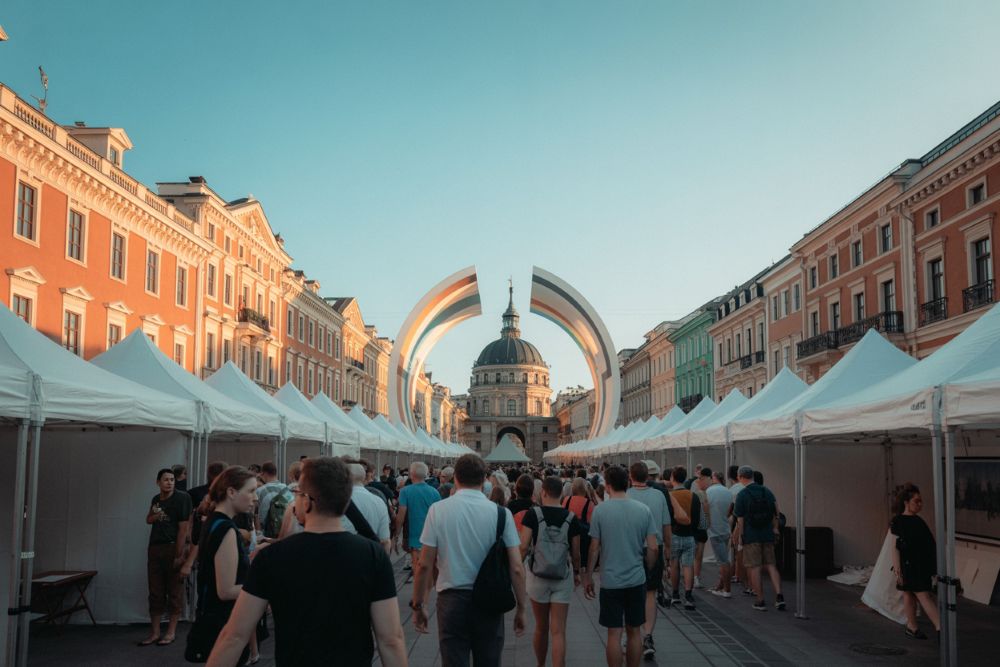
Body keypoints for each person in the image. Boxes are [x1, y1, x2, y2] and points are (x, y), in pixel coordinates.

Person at [207, 457, 407, 666]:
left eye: (297, 494)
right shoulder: (373, 555)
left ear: (307, 500)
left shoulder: (272, 557)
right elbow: (391, 639)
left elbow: (235, 635)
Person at [411, 453, 527, 666]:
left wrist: (419, 605)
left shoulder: (438, 510)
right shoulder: (501, 514)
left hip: (452, 600)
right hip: (490, 600)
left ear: (455, 478)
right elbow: (517, 567)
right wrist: (522, 607)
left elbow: (425, 564)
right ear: (484, 480)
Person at [582, 465, 657, 667]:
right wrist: (648, 567)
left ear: (607, 486)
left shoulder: (600, 511)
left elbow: (594, 548)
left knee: (613, 634)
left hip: (610, 580)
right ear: (628, 483)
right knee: (634, 631)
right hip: (636, 579)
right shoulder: (643, 510)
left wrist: (588, 576)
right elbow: (653, 547)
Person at [193, 466, 256, 664]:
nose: (255, 498)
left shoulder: (214, 521)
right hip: (223, 622)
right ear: (231, 492)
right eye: (251, 491)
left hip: (214, 619)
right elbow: (226, 590)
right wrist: (266, 589)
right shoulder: (226, 529)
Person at [518, 476, 582, 667]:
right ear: (562, 494)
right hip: (562, 576)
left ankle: (540, 664)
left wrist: (516, 570)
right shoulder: (571, 518)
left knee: (541, 627)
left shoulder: (532, 514)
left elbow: (523, 547)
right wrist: (578, 572)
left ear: (543, 492)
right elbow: (576, 553)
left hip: (538, 576)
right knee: (558, 631)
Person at [140, 468, 192, 647]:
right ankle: (154, 632)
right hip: (155, 547)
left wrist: (179, 554)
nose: (170, 482)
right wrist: (155, 516)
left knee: (174, 591)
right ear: (158, 482)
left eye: (172, 479)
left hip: (172, 546)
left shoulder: (182, 498)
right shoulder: (156, 499)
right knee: (155, 591)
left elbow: (183, 529)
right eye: (166, 479)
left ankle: (171, 632)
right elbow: (148, 519)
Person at [625, 461, 671, 660]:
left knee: (631, 592)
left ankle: (632, 634)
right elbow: (666, 526)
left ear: (631, 476)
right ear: (649, 476)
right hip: (655, 547)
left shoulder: (625, 495)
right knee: (651, 593)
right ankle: (648, 636)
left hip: (631, 549)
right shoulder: (659, 495)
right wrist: (668, 552)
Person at [891, 483, 940, 639]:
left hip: (919, 564)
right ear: (907, 503)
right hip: (909, 565)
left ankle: (912, 627)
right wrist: (897, 567)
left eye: (920, 501)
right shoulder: (898, 521)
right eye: (916, 501)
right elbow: (894, 546)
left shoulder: (918, 521)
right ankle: (940, 627)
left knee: (910, 594)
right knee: (922, 595)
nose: (920, 504)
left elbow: (929, 545)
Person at [733, 466, 785, 611]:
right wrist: (775, 529)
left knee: (754, 567)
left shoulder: (742, 495)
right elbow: (777, 513)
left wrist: (740, 536)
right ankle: (779, 596)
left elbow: (740, 520)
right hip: (767, 534)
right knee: (771, 565)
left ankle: (760, 600)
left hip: (751, 535)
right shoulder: (767, 491)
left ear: (740, 477)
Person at [395, 462, 442, 571]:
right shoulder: (434, 492)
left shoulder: (405, 491)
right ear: (426, 475)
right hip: (431, 535)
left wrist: (396, 535)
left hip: (414, 535)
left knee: (418, 569)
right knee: (429, 569)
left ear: (411, 474)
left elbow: (401, 515)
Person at [668, 465, 701, 610]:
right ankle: (688, 595)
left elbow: (668, 517)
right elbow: (698, 518)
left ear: (672, 478)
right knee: (688, 565)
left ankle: (675, 594)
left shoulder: (670, 496)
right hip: (689, 535)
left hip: (674, 534)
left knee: (674, 565)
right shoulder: (693, 495)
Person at [344, 463, 392, 552]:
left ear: (345, 478)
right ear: (364, 478)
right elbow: (385, 541)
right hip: (371, 556)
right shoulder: (379, 501)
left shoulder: (337, 501)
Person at [706, 471, 733, 598]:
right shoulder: (728, 491)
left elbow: (705, 509)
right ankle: (720, 586)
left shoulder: (709, 491)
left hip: (714, 530)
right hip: (726, 528)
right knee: (723, 558)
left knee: (722, 561)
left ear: (713, 478)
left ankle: (727, 590)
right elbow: (731, 509)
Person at [563, 478, 597, 571]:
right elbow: (592, 524)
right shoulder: (589, 504)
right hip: (583, 539)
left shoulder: (566, 500)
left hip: (567, 534)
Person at [256, 461, 292, 540]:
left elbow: (257, 515)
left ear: (264, 473)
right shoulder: (287, 489)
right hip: (284, 531)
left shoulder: (259, 491)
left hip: (267, 533)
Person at [692, 468, 712, 589]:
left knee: (693, 554)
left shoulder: (693, 492)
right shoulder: (701, 494)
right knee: (698, 554)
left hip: (693, 527)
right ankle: (696, 578)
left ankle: (693, 577)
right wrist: (708, 522)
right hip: (700, 527)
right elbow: (705, 508)